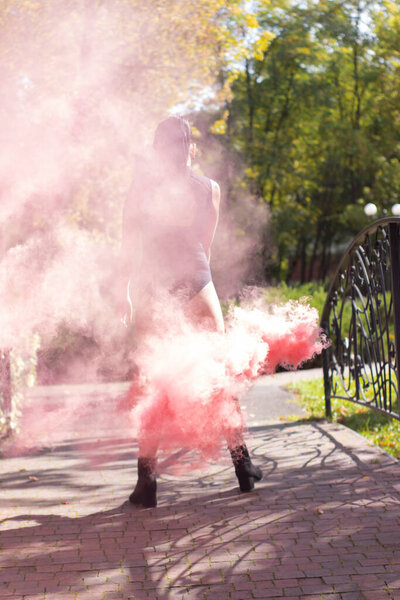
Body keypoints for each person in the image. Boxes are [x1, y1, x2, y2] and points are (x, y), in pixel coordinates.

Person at [118, 116, 262, 508]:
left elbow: (128, 246)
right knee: (218, 377)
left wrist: (123, 292)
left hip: (153, 289)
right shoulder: (209, 189)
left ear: (155, 148)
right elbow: (206, 245)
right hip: (198, 281)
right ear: (190, 148)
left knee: (151, 383)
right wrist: (202, 285)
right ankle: (243, 465)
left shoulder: (140, 190)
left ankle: (146, 484)